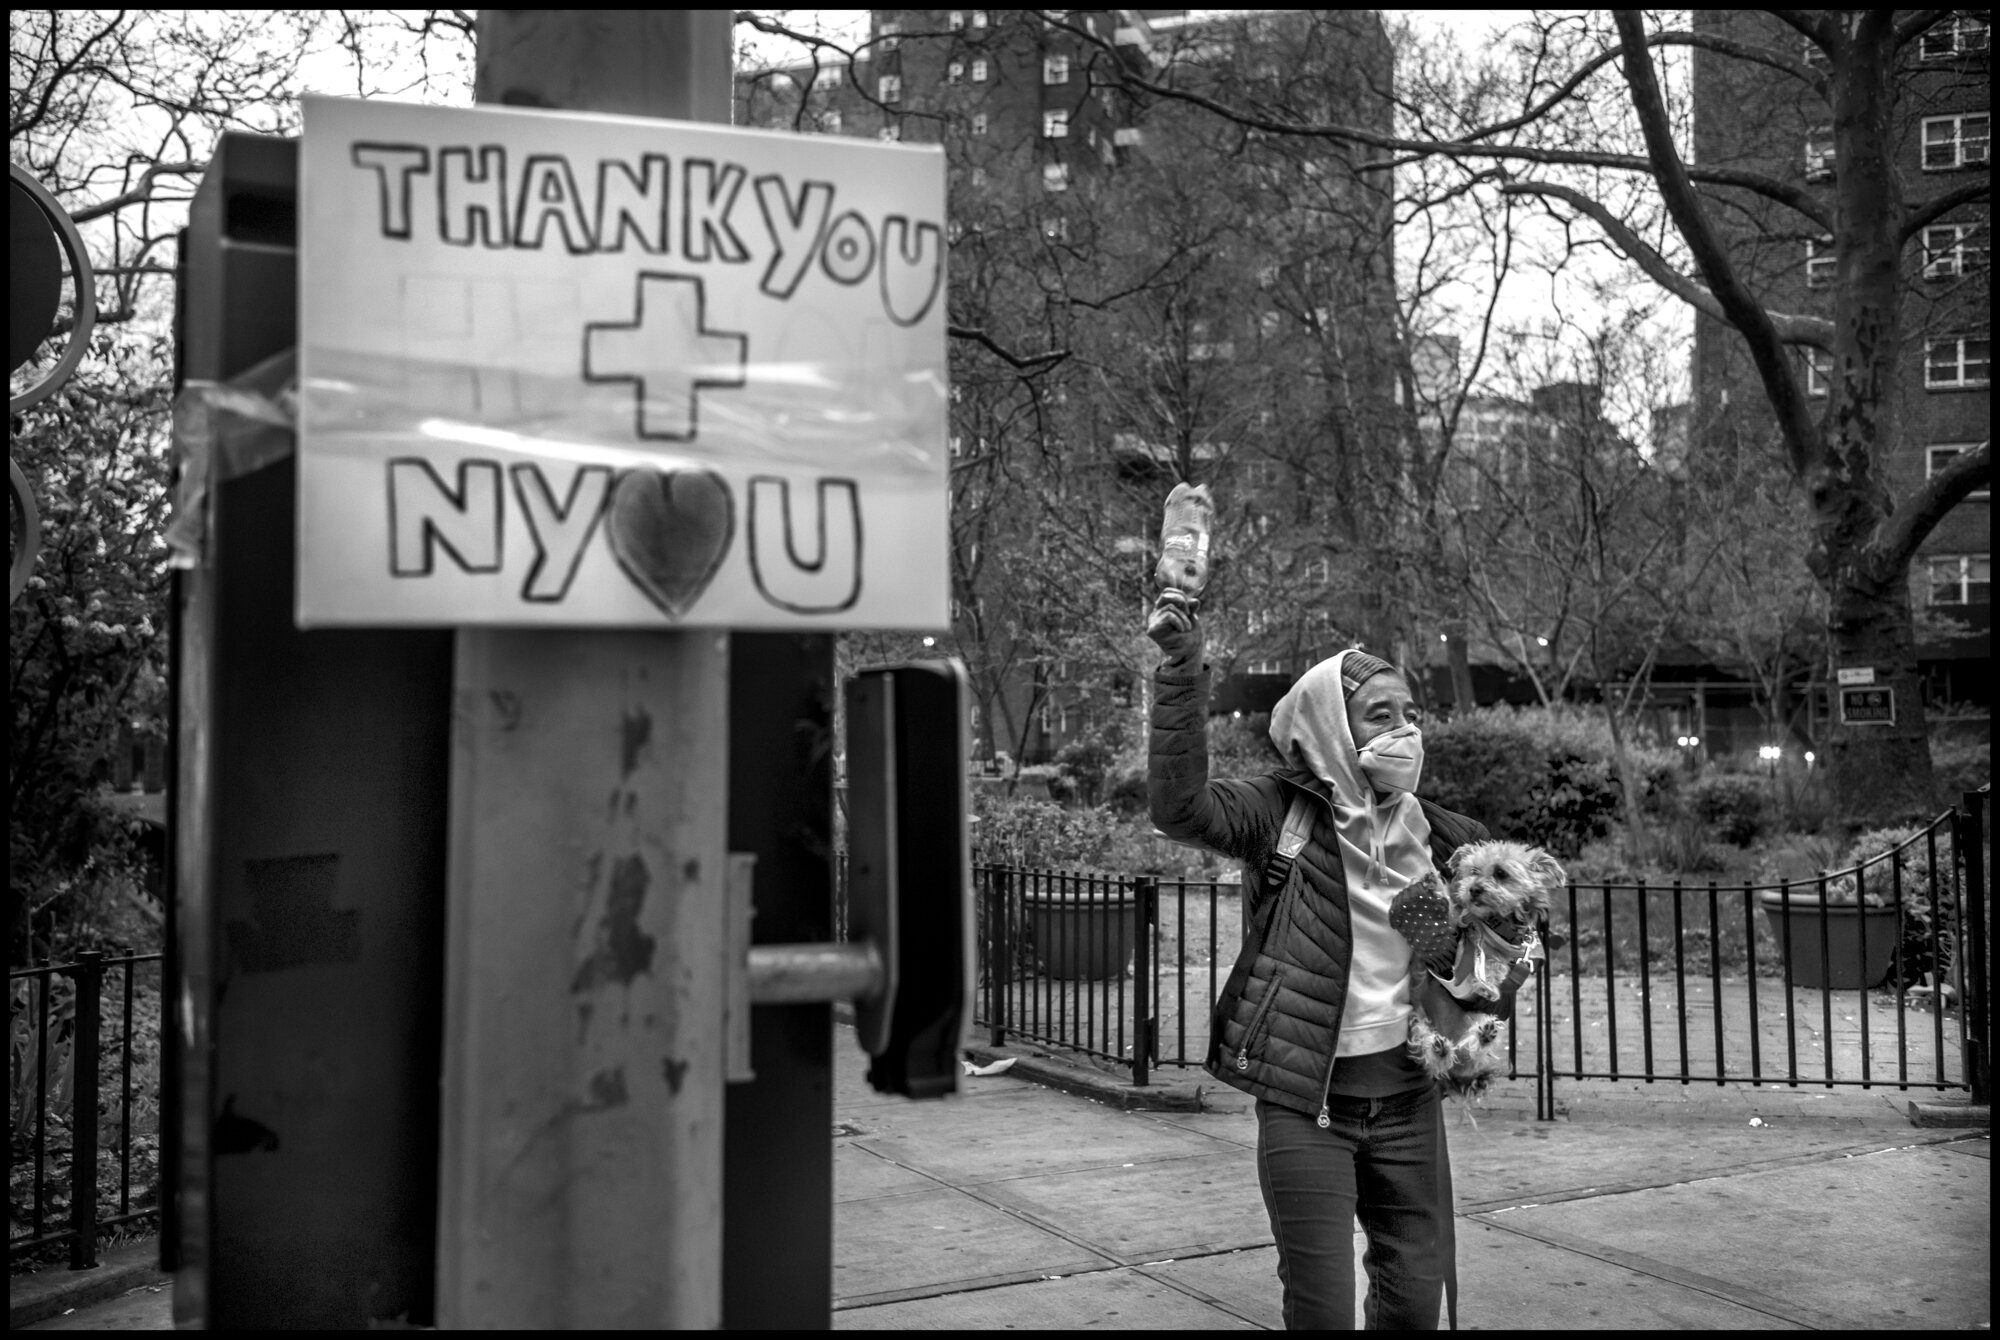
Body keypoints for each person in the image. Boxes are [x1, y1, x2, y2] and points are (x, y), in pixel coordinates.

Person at [1146, 588, 1488, 1331]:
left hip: (1409, 1101)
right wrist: (1181, 667)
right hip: (1311, 1107)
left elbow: (1490, 959)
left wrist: (1505, 945)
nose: (1405, 731)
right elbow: (1180, 811)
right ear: (1331, 726)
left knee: (1412, 1304)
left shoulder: (1442, 837)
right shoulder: (1279, 814)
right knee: (1322, 1310)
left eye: (1410, 715)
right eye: (1380, 716)